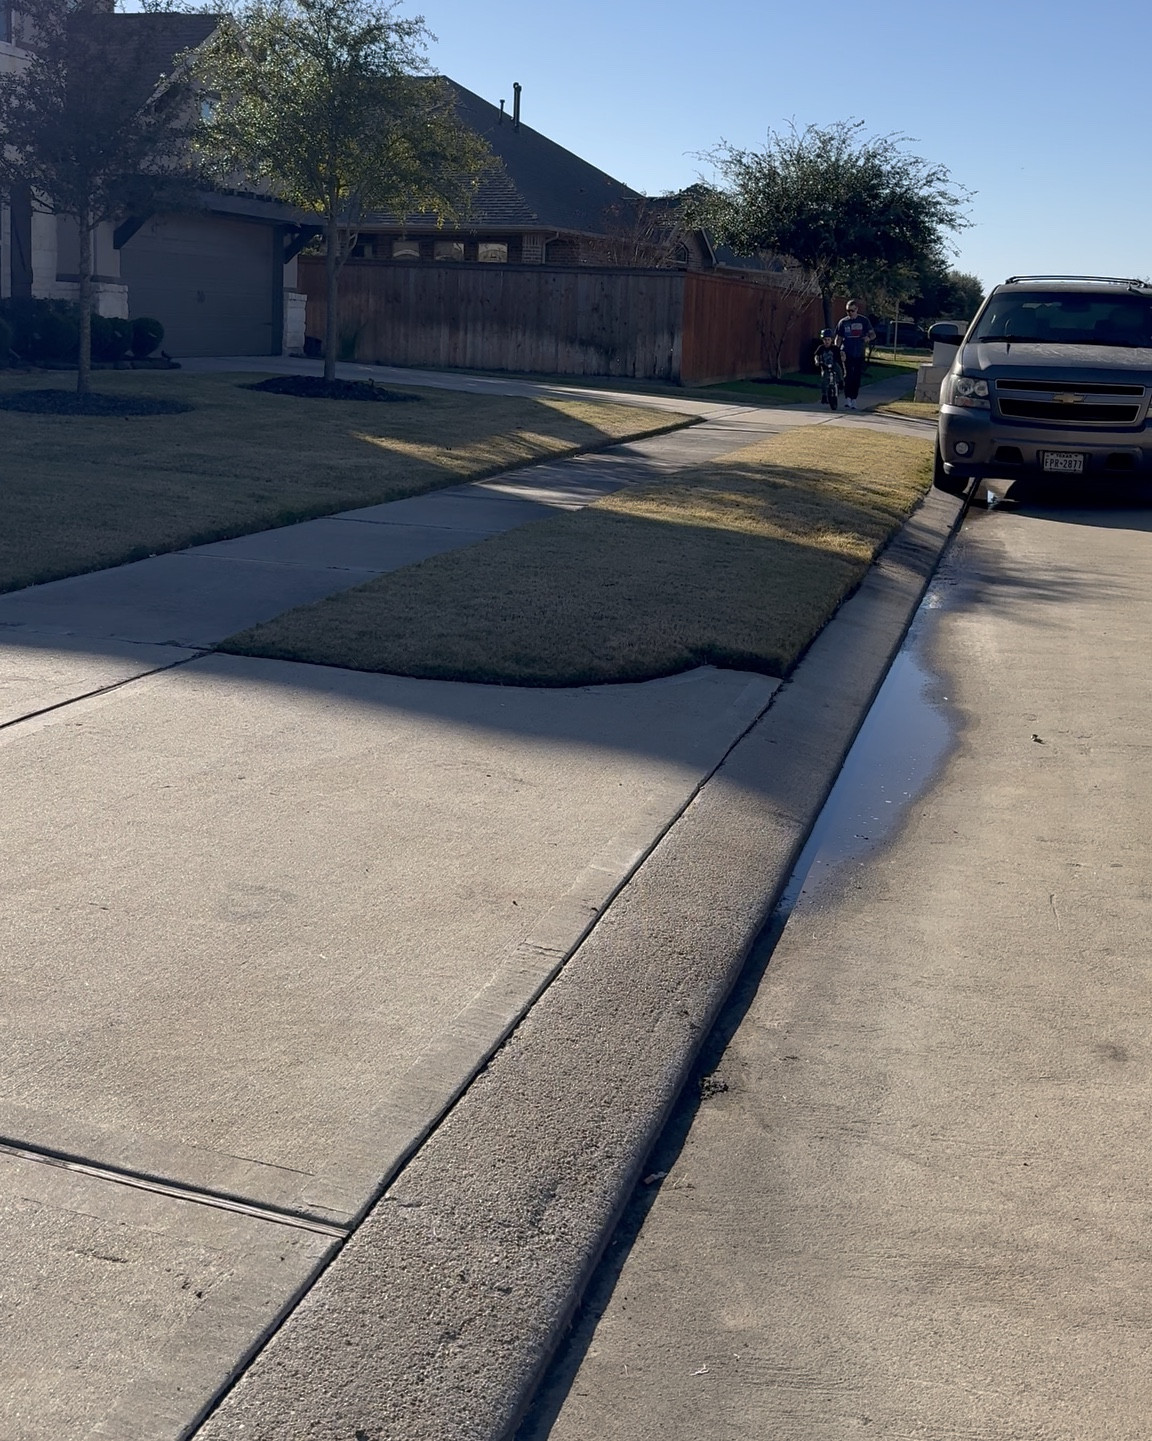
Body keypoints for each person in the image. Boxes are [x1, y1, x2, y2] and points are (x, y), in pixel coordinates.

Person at [835, 299, 875, 410]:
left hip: (859, 352)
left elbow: (873, 334)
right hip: (846, 351)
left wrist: (868, 338)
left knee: (856, 376)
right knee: (848, 375)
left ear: (856, 309)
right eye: (848, 311)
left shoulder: (864, 321)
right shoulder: (843, 322)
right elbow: (839, 338)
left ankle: (854, 399)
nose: (850, 313)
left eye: (852, 310)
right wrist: (837, 350)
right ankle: (847, 398)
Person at [813, 329, 843, 406]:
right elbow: (816, 355)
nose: (827, 341)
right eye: (825, 340)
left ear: (832, 340)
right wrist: (816, 361)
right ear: (822, 340)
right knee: (824, 380)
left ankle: (841, 382)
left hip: (833, 364)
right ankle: (824, 396)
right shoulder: (821, 348)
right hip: (824, 366)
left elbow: (840, 356)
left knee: (838, 369)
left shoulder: (835, 348)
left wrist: (842, 357)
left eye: (828, 340)